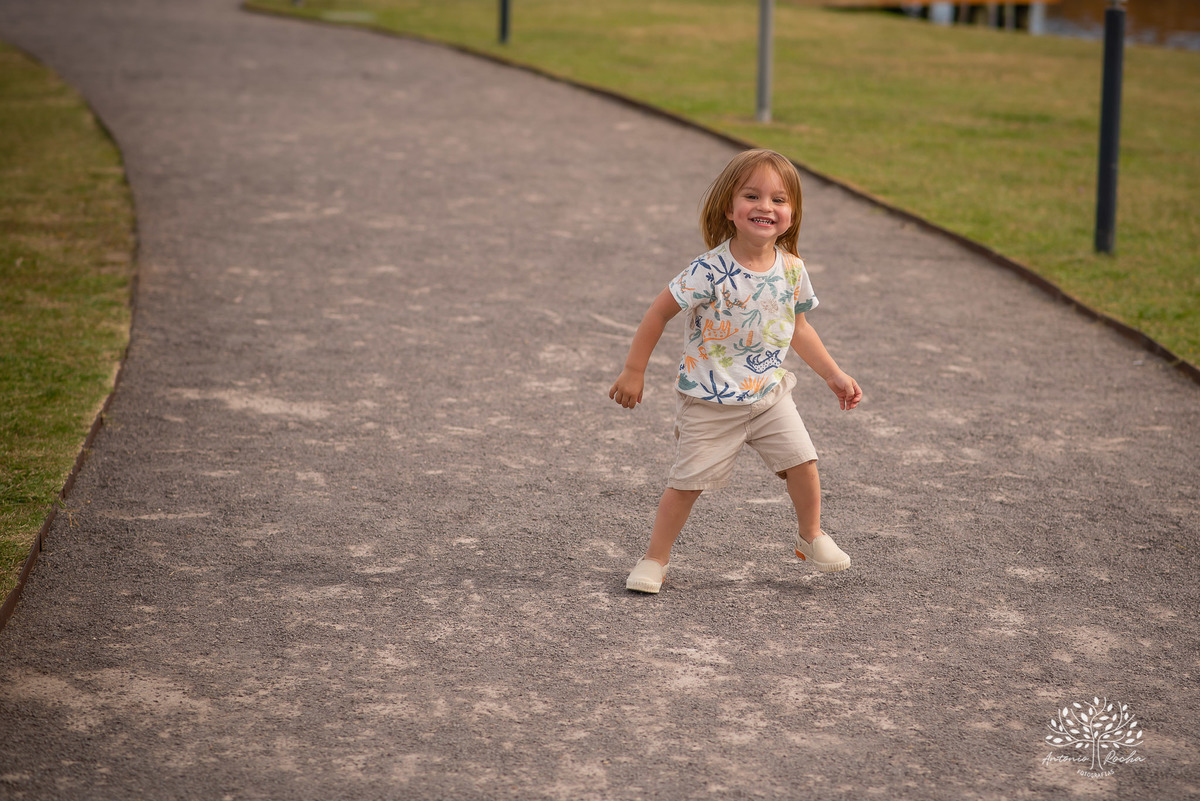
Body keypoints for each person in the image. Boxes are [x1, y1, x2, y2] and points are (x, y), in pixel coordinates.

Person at [609, 149, 862, 594]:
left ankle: (810, 536)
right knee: (686, 485)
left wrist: (833, 374)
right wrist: (634, 370)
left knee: (804, 461)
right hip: (709, 401)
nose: (766, 206)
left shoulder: (792, 270)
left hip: (768, 395)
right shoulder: (708, 269)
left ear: (792, 214)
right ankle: (655, 559)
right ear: (729, 208)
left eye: (779, 200)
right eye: (752, 196)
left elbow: (799, 328)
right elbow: (657, 313)